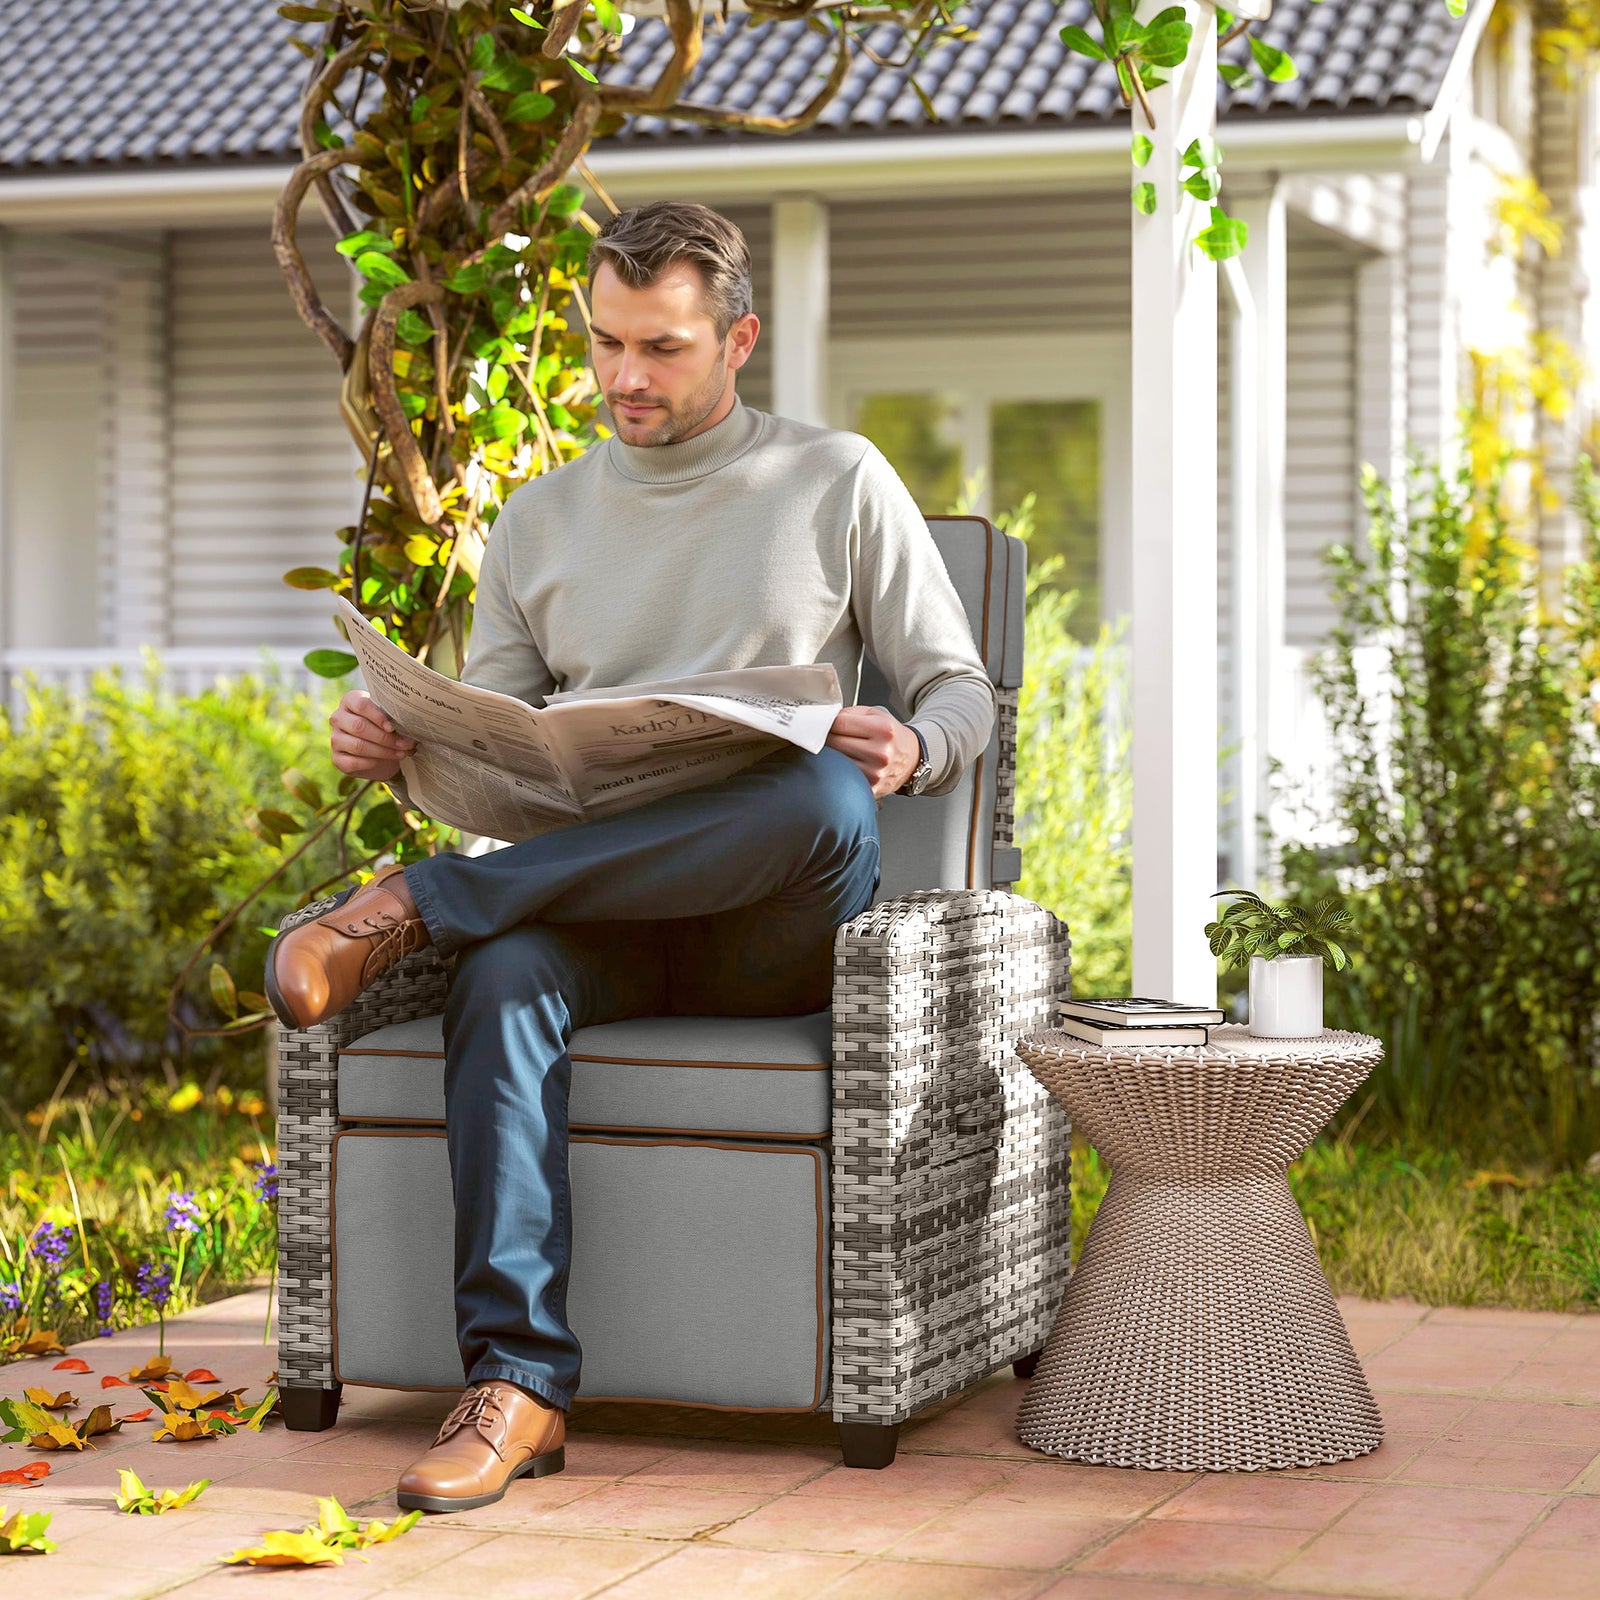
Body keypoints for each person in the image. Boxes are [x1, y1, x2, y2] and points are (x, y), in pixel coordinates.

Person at [266, 201, 995, 1513]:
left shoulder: (836, 482)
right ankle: (519, 1386)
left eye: (659, 348)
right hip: (598, 907)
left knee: (824, 798)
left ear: (738, 340)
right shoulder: (540, 522)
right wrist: (402, 745)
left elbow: (961, 689)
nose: (622, 378)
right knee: (499, 981)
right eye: (604, 343)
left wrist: (915, 749)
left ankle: (412, 910)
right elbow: (490, 745)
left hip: (775, 926)